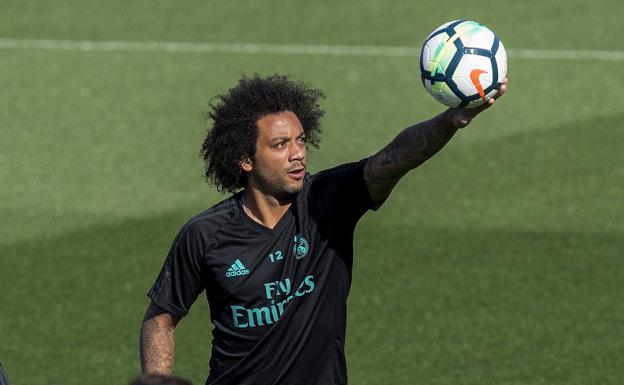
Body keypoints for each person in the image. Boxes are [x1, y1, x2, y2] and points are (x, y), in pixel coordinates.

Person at [140, 74, 507, 384]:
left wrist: (448, 122)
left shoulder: (328, 203)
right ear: (245, 159)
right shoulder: (205, 235)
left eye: (300, 140)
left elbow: (395, 159)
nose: (298, 153)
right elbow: (161, 317)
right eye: (280, 144)